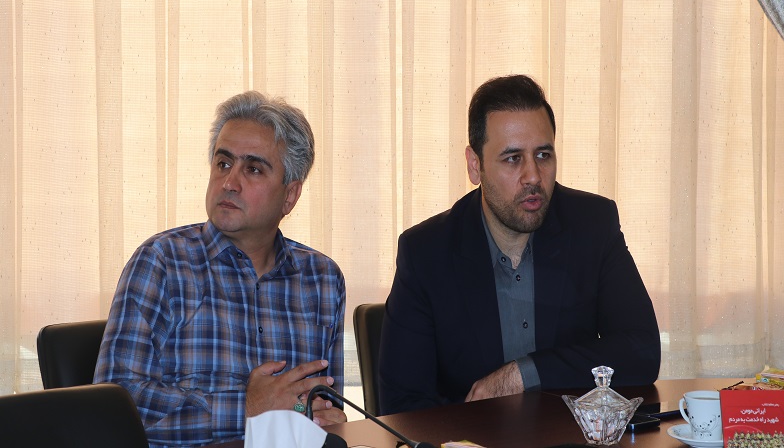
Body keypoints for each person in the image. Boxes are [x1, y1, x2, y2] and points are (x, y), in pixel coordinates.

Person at [378, 74, 660, 415]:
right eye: (513, 158)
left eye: (543, 155)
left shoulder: (592, 224)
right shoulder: (426, 252)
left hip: (568, 435)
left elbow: (642, 351)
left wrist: (525, 374)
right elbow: (401, 405)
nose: (533, 176)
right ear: (475, 166)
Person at [94, 91, 346, 446]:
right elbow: (112, 409)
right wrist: (247, 408)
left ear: (290, 195)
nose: (229, 182)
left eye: (253, 169)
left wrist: (327, 418)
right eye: (223, 164)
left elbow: (324, 405)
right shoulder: (162, 262)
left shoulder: (323, 279)